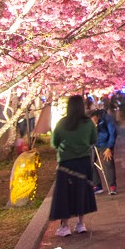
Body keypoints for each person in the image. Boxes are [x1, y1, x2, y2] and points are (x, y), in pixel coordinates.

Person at [50, 95, 98, 236]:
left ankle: (65, 226)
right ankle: (81, 223)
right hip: (83, 162)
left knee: (65, 194)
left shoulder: (62, 123)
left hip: (66, 163)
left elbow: (54, 142)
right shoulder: (88, 123)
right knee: (81, 191)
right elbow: (93, 140)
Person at [90, 108, 118, 195]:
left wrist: (109, 147)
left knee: (108, 163)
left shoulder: (107, 119)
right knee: (89, 162)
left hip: (105, 144)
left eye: (94, 120)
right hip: (94, 144)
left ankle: (112, 185)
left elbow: (112, 133)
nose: (93, 122)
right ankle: (97, 185)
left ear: (97, 116)